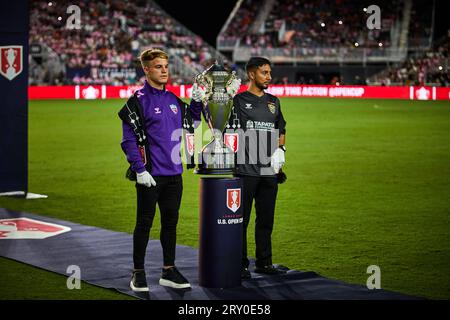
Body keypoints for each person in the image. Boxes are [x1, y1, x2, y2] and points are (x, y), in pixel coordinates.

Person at [119, 48, 216, 292]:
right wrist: (139, 170)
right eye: (159, 66)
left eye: (166, 66)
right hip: (150, 177)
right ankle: (138, 273)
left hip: (174, 175)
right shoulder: (137, 101)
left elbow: (192, 122)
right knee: (144, 224)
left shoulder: (173, 99)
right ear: (146, 69)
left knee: (170, 225)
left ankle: (168, 270)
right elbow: (128, 140)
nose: (164, 70)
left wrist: (196, 100)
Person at [229, 57, 287, 279]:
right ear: (252, 74)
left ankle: (264, 262)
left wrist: (282, 150)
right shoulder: (238, 100)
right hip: (245, 169)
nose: (269, 77)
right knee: (240, 222)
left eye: (269, 72)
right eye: (264, 72)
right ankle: (240, 264)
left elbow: (280, 127)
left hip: (269, 171)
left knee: (266, 220)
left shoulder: (274, 101)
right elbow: (224, 127)